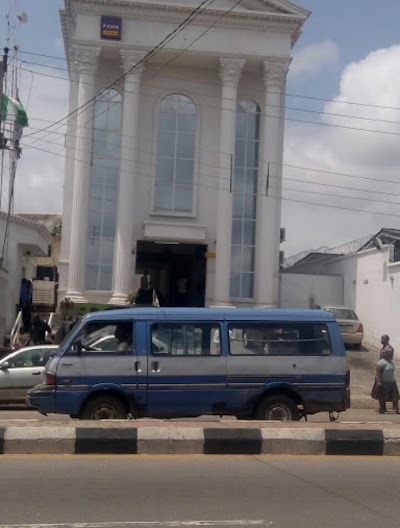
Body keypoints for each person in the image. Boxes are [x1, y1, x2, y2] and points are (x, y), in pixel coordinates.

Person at [372, 346, 400, 414]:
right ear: (385, 354)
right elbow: (378, 373)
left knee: (395, 397)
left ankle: (397, 410)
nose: (390, 355)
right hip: (384, 382)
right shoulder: (381, 363)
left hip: (392, 382)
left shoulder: (391, 362)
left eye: (390, 353)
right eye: (389, 353)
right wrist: (379, 382)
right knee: (382, 397)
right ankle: (382, 409)